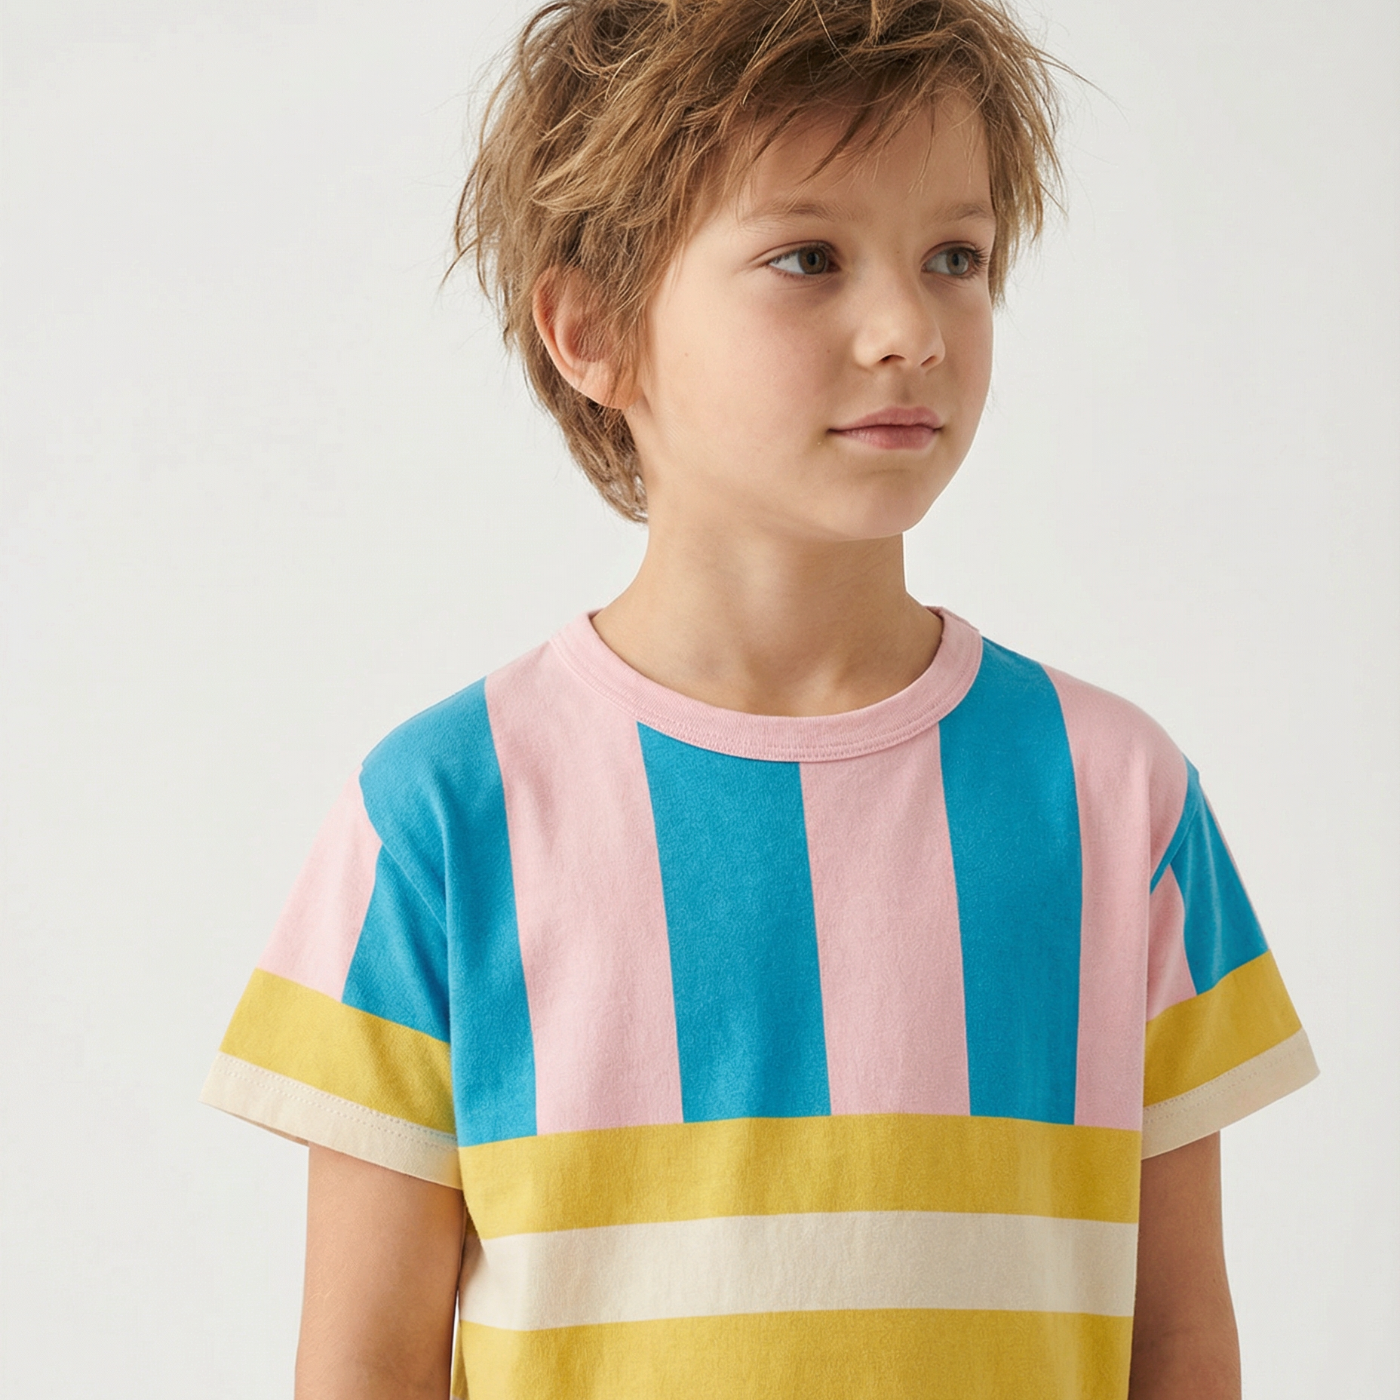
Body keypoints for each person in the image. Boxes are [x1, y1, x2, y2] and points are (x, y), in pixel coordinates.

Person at [201, 1, 1318, 1396]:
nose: (909, 326)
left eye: (955, 257)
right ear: (592, 329)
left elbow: (1181, 1343)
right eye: (809, 257)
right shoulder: (437, 818)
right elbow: (365, 1368)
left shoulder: (1117, 795)